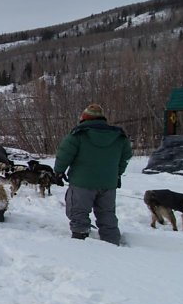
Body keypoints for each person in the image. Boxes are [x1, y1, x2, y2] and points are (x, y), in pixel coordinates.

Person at [52, 103, 132, 245]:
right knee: (107, 214)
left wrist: (58, 172)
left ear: (84, 118)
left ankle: (80, 242)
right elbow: (125, 157)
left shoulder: (78, 135)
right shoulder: (119, 136)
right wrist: (116, 173)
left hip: (82, 183)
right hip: (108, 183)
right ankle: (112, 243)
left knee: (78, 212)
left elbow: (64, 155)